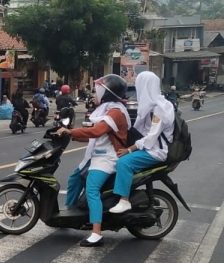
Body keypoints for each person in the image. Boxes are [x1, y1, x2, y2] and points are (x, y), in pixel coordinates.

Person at [56, 74, 130, 247]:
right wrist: (70, 134)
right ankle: (69, 216)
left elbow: (97, 132)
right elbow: (92, 135)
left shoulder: (115, 112)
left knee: (92, 189)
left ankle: (96, 233)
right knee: (74, 178)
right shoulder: (105, 109)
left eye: (99, 90)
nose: (95, 93)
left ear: (108, 93)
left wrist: (70, 132)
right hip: (97, 154)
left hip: (108, 157)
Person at [109, 71, 175, 214]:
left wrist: (130, 149)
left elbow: (151, 137)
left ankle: (124, 200)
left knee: (124, 163)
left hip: (155, 151)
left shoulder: (159, 109)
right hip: (149, 148)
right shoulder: (156, 104)